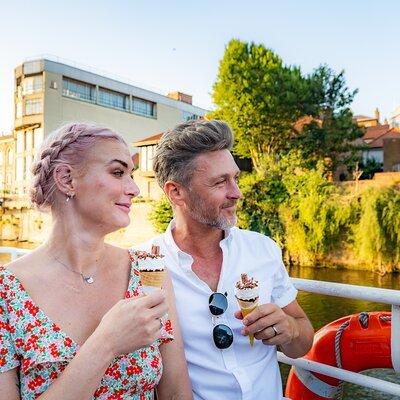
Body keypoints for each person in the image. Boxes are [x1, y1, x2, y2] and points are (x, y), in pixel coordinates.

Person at [0, 123, 192, 400]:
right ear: (67, 179)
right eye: (117, 172)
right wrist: (107, 343)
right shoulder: (7, 291)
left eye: (131, 175)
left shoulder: (149, 272)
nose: (135, 189)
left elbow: (175, 394)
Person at [136, 119, 314, 400]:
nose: (236, 193)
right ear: (176, 192)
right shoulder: (143, 265)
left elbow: (302, 343)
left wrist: (289, 330)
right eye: (220, 182)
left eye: (236, 179)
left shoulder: (263, 249)